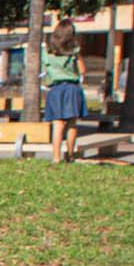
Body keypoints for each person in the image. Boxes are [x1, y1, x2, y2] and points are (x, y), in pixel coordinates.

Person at [42, 19, 87, 164]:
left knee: (58, 124)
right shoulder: (74, 51)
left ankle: (55, 157)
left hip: (55, 89)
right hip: (71, 88)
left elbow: (45, 70)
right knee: (71, 123)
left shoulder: (48, 51)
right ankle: (70, 154)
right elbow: (82, 70)